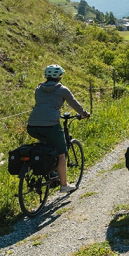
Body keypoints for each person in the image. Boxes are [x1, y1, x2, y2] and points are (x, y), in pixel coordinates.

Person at [27, 64, 89, 193]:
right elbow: (74, 103)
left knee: (43, 144)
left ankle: (48, 171)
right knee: (61, 153)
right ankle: (64, 185)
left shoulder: (38, 89)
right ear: (60, 76)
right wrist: (84, 114)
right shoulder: (62, 89)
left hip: (32, 125)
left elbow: (44, 105)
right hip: (51, 125)